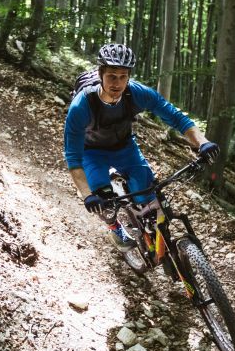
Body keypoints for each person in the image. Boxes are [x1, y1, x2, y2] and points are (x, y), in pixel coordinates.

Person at [63, 43, 220, 248]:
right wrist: (87, 196)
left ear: (129, 77)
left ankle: (152, 234)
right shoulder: (81, 105)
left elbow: (176, 117)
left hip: (125, 148)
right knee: (104, 204)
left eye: (123, 77)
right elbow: (73, 158)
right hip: (92, 153)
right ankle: (114, 228)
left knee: (146, 195)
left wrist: (203, 142)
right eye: (112, 76)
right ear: (100, 74)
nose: (117, 83)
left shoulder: (137, 93)